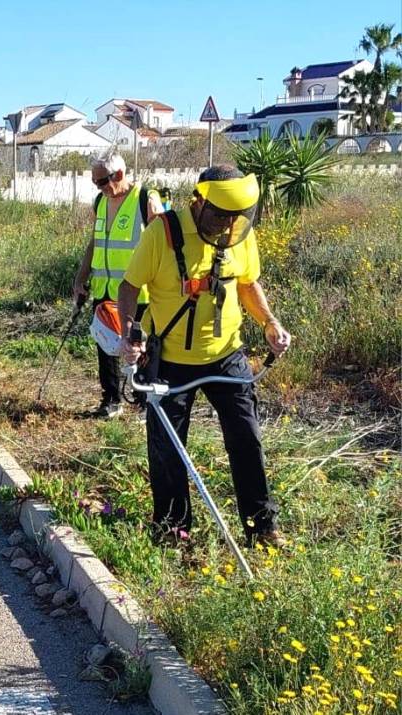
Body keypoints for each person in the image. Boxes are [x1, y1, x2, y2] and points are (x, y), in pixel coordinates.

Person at [117, 165, 291, 546]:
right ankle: (173, 531)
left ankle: (261, 528)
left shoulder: (239, 234)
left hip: (228, 356)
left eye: (235, 217)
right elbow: (129, 286)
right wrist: (130, 332)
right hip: (171, 361)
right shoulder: (162, 233)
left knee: (247, 439)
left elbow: (248, 283)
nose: (227, 225)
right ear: (198, 201)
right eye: (220, 215)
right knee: (167, 449)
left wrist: (269, 323)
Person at [73, 152, 163, 418]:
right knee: (106, 345)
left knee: (141, 348)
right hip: (104, 290)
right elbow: (95, 242)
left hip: (138, 293)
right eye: (95, 183)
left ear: (119, 175)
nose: (98, 188)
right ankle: (111, 400)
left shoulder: (146, 198)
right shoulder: (101, 201)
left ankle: (145, 402)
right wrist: (81, 278)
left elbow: (162, 243)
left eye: (101, 182)